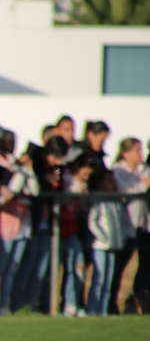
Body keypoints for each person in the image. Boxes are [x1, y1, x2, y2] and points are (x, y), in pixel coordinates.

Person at [11, 136, 69, 314]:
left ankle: (31, 303)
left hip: (47, 224)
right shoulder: (34, 160)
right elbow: (32, 189)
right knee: (26, 267)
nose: (57, 162)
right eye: (55, 157)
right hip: (32, 222)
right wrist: (45, 180)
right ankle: (17, 304)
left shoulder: (57, 168)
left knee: (42, 268)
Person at [0, 137, 39, 315]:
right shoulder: (1, 167)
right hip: (4, 227)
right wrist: (19, 174)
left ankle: (3, 306)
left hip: (22, 225)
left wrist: (27, 170)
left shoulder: (20, 169)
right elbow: (4, 195)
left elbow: (34, 191)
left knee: (12, 269)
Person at [85, 170, 134, 316]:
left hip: (114, 245)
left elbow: (122, 221)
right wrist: (103, 237)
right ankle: (93, 309)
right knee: (99, 280)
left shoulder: (116, 199)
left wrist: (123, 237)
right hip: (100, 245)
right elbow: (92, 221)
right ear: (100, 184)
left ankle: (103, 310)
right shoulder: (97, 199)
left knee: (108, 280)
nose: (113, 184)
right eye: (109, 181)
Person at [112, 138, 150, 313]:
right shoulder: (119, 171)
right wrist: (142, 185)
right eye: (136, 151)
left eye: (141, 150)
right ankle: (111, 304)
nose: (140, 154)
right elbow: (123, 193)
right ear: (125, 153)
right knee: (118, 268)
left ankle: (138, 303)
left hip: (143, 225)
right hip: (126, 226)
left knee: (144, 268)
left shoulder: (143, 169)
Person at [59, 153, 98, 317]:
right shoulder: (66, 179)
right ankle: (58, 305)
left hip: (72, 230)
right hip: (58, 231)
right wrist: (73, 191)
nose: (86, 178)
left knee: (77, 266)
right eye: (84, 174)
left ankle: (72, 304)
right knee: (56, 270)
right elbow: (59, 200)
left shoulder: (82, 185)